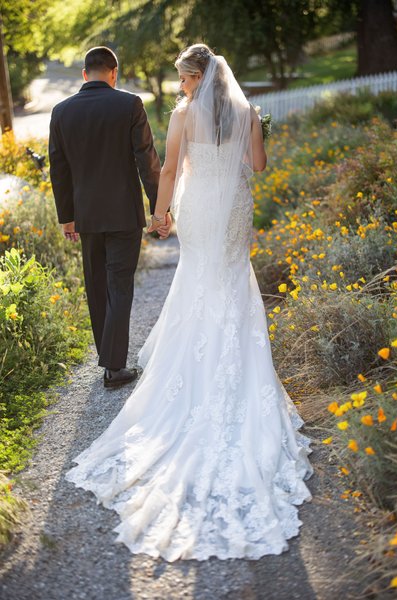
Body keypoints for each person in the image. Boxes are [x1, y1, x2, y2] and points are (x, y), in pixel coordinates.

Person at [66, 44, 312, 561]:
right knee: (231, 280)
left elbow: (172, 170)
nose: (180, 88)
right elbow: (259, 166)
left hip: (200, 209)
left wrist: (161, 217)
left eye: (182, 79)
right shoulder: (247, 113)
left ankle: (181, 365)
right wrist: (250, 136)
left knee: (199, 279)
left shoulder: (182, 116)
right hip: (236, 208)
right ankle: (239, 366)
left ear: (197, 78)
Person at [49, 46, 168, 389]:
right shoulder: (129, 104)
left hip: (86, 216)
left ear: (85, 74)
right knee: (119, 285)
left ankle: (109, 359)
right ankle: (114, 367)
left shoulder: (61, 111)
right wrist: (159, 210)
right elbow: (147, 160)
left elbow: (59, 168)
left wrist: (67, 216)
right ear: (114, 72)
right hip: (123, 214)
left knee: (97, 286)